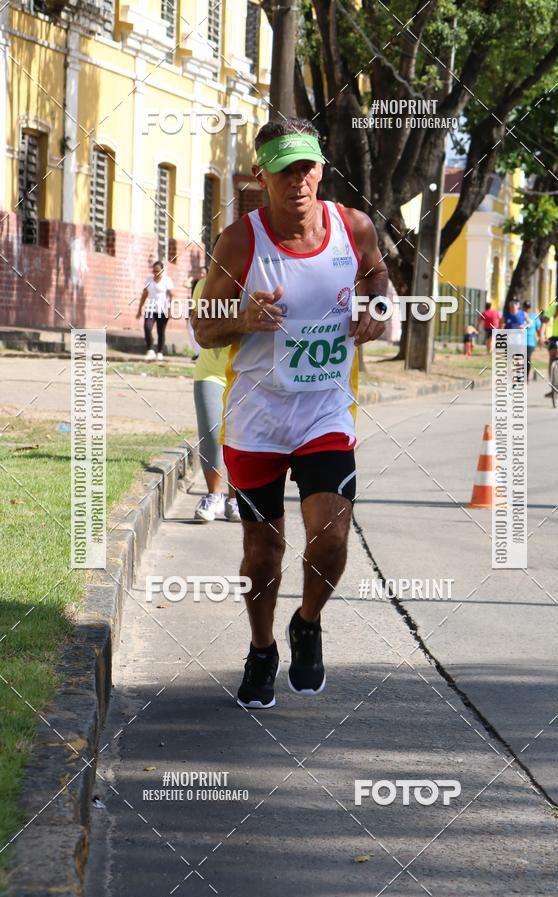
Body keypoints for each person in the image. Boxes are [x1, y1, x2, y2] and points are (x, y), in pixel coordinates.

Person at [193, 118, 387, 709]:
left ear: (320, 169)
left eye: (306, 167)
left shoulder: (352, 228)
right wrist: (244, 319)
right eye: (284, 170)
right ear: (263, 176)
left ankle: (307, 622)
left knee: (329, 536)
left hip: (326, 410)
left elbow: (377, 276)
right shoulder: (239, 242)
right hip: (258, 416)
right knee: (264, 549)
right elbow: (203, 328)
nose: (297, 181)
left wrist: (376, 308)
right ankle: (260, 649)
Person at [190, 273, 240, 523]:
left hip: (246, 375)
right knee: (211, 433)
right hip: (210, 373)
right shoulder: (204, 286)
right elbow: (198, 327)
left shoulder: (257, 286)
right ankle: (214, 495)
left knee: (239, 438)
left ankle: (235, 499)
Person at [136, 260, 173, 361]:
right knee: (147, 327)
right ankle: (150, 350)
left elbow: (172, 295)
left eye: (158, 271)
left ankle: (160, 352)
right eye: (154, 271)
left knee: (160, 331)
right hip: (151, 308)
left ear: (162, 271)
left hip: (163, 309)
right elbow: (144, 295)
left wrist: (170, 309)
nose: (156, 273)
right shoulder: (149, 280)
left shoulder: (167, 280)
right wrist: (139, 309)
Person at [522, 301, 541, 381]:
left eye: (528, 307)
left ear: (531, 308)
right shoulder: (520, 315)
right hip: (519, 340)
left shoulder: (534, 316)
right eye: (525, 307)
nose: (527, 309)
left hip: (530, 342)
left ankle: (526, 376)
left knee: (527, 358)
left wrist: (541, 338)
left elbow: (538, 329)